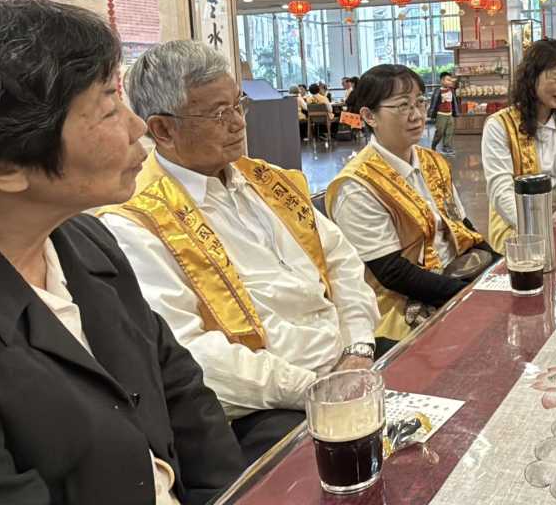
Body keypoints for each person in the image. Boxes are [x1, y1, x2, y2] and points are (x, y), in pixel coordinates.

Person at [0, 0, 243, 503]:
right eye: (108, 108)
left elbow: (184, 395)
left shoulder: (81, 239)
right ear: (4, 165)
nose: (138, 126)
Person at [99, 41, 379, 463]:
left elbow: (341, 262)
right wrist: (312, 389)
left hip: (352, 363)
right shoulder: (136, 222)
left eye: (238, 105)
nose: (238, 123)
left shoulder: (269, 181)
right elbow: (191, 352)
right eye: (218, 114)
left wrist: (358, 348)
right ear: (162, 130)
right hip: (264, 407)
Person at [327, 65, 494, 348]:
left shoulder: (432, 161)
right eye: (403, 106)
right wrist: (468, 296)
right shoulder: (356, 185)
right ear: (369, 116)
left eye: (419, 102)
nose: (416, 115)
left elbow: (462, 226)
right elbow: (392, 272)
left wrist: (498, 270)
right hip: (400, 304)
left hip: (454, 274)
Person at [482, 38, 556, 252]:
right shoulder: (500, 125)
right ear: (532, 77)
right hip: (518, 227)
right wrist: (537, 227)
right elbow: (500, 190)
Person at [428, 71, 460, 155]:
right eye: (448, 80)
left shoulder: (451, 90)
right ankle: (433, 146)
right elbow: (433, 103)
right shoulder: (437, 91)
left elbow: (453, 102)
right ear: (442, 81)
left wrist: (455, 113)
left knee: (449, 132)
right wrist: (432, 114)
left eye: (450, 80)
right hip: (441, 115)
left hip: (450, 115)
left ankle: (446, 147)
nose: (450, 82)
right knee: (440, 132)